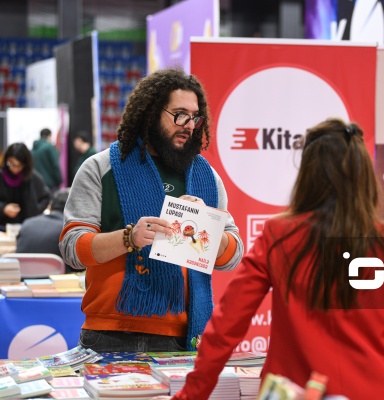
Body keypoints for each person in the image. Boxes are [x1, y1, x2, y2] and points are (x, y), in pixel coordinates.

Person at [163, 118, 384, 400]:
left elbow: (227, 325)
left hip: (297, 392)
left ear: (307, 174)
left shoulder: (279, 234)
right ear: (363, 175)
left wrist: (191, 395)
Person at [59, 68, 244, 352]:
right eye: (179, 114)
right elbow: (72, 249)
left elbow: (232, 256)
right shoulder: (100, 168)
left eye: (195, 117)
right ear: (151, 113)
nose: (189, 125)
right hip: (108, 334)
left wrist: (207, 224)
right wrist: (128, 239)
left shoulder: (208, 179)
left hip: (181, 338)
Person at [16, 188, 74, 272]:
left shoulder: (27, 223)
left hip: (22, 278)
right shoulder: (68, 230)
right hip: (57, 281)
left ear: (50, 206)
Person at [0, 142, 51, 229]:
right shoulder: (1, 176)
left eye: (19, 165)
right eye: (11, 164)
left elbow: (46, 198)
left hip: (27, 228)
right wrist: (3, 208)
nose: (15, 169)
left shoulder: (34, 178)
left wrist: (34, 210)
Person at [31, 128, 62, 194]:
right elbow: (55, 166)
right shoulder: (49, 147)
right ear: (49, 136)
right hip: (50, 185)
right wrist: (59, 180)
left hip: (36, 185)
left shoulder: (33, 149)